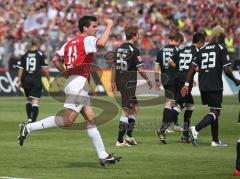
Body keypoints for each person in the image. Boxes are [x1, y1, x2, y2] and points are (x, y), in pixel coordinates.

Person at [18, 16, 121, 166]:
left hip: (74, 81)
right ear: (85, 28)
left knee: (91, 118)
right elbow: (102, 42)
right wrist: (110, 25)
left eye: (97, 26)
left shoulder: (69, 43)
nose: (96, 29)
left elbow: (55, 59)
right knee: (67, 121)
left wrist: (67, 73)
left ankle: (103, 155)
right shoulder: (87, 39)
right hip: (77, 83)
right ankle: (27, 127)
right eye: (94, 26)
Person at [181, 25, 240, 146]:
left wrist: (187, 83)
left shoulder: (202, 49)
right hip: (215, 84)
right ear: (220, 35)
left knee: (213, 110)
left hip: (203, 84)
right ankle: (195, 129)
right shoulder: (221, 48)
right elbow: (227, 69)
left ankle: (215, 140)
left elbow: (192, 69)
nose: (225, 37)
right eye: (224, 35)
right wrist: (235, 80)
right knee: (216, 112)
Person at [111, 26, 153, 147]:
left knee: (134, 108)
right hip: (128, 81)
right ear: (133, 36)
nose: (139, 36)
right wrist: (147, 79)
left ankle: (129, 136)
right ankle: (119, 141)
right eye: (138, 35)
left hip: (121, 80)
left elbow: (114, 66)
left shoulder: (119, 48)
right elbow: (140, 68)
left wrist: (113, 81)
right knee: (126, 110)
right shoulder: (134, 49)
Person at [165, 32, 206, 143]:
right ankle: (162, 128)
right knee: (181, 105)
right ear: (200, 42)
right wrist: (194, 72)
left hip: (179, 79)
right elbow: (196, 68)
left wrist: (179, 69)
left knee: (190, 105)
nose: (203, 45)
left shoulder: (182, 49)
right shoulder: (197, 51)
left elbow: (169, 61)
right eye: (203, 43)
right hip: (185, 82)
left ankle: (184, 134)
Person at [154, 31, 184, 144]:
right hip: (175, 79)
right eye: (180, 42)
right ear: (178, 40)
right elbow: (178, 66)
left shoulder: (161, 50)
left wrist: (157, 80)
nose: (180, 45)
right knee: (177, 103)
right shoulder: (177, 50)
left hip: (164, 78)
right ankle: (164, 127)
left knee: (169, 102)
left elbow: (156, 66)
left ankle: (166, 127)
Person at [17, 37, 50, 123]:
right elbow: (45, 69)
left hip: (26, 80)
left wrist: (19, 80)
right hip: (36, 80)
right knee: (35, 101)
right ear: (38, 44)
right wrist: (48, 78)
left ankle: (29, 118)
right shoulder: (40, 54)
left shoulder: (24, 55)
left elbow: (20, 69)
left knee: (28, 99)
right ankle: (33, 121)